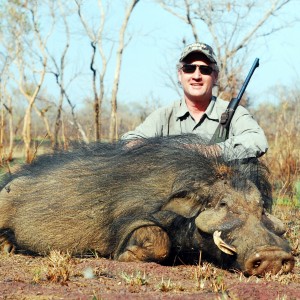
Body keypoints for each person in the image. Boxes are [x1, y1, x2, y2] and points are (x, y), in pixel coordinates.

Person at [121, 42, 268, 160]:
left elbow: (257, 140)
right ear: (180, 75)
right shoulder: (164, 115)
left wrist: (212, 151)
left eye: (205, 70)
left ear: (215, 76)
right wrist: (163, 151)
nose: (196, 76)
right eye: (189, 68)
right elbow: (128, 142)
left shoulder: (234, 113)